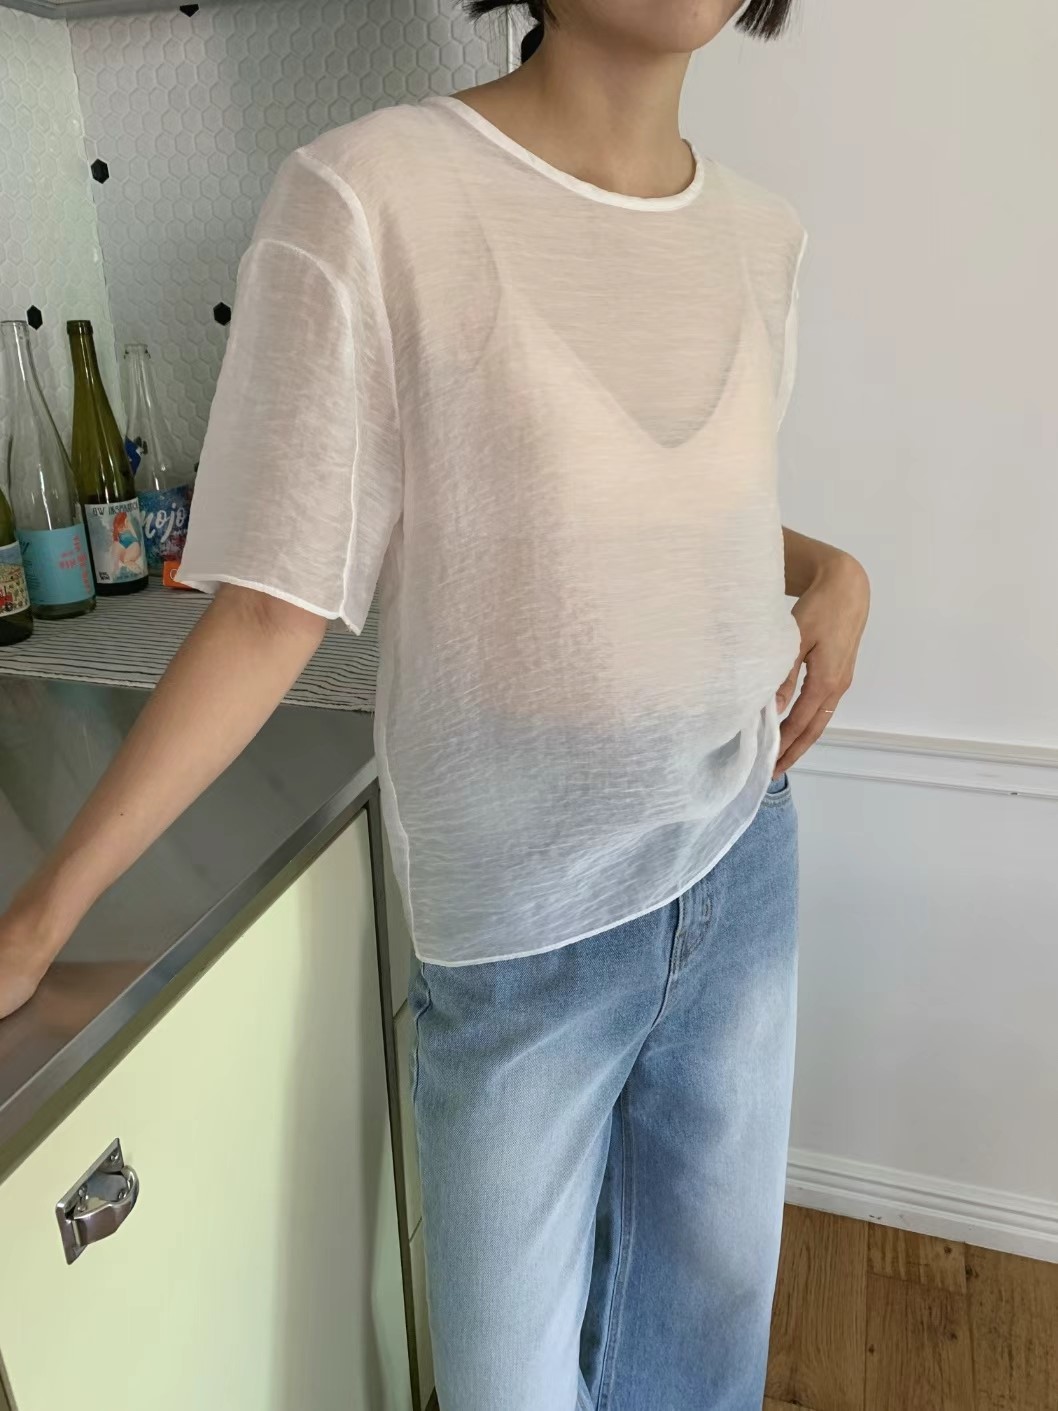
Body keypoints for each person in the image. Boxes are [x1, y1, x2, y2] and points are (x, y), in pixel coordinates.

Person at [0, 0, 870, 1405]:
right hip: (524, 926)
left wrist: (830, 568)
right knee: (504, 1385)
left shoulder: (762, 237)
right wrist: (37, 921)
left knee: (702, 1356)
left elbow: (661, 517)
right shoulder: (371, 197)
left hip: (740, 853)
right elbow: (272, 608)